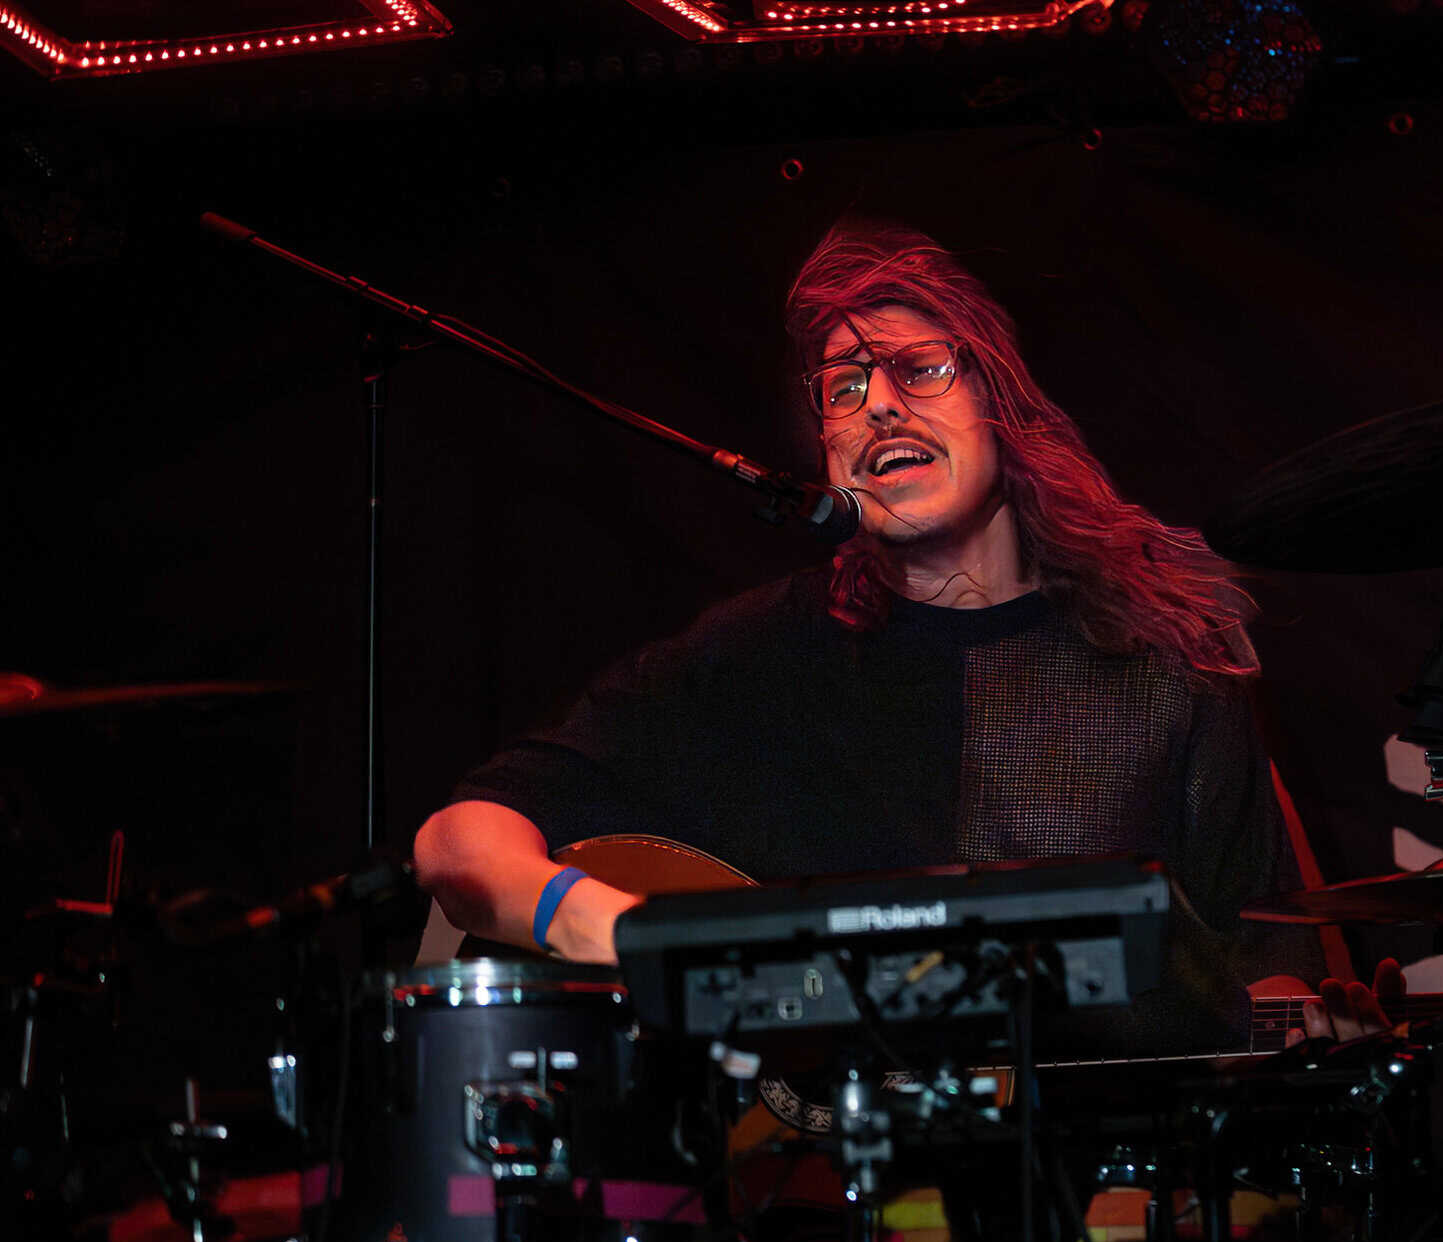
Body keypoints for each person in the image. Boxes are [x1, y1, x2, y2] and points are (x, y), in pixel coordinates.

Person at [414, 218, 1386, 1054]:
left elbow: (1270, 971)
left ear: (1002, 409)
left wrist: (1309, 1038)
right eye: (843, 388)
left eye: (921, 369)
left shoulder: (1164, 667)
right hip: (827, 1198)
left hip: (1107, 1188)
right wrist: (616, 932)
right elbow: (459, 842)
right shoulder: (756, 658)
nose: (878, 402)